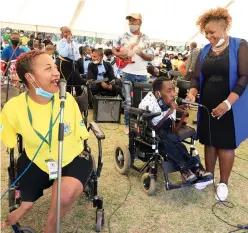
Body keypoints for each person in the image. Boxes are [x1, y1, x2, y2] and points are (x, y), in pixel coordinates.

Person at [0, 50, 92, 232]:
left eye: (55, 67)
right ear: (30, 78)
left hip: (72, 156)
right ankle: (25, 206)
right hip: (37, 159)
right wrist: (25, 205)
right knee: (25, 201)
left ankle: (50, 228)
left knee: (63, 196)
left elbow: (81, 134)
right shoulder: (13, 108)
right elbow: (8, 139)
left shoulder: (67, 100)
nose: (57, 73)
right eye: (48, 68)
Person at [186, 7, 248, 200]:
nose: (208, 36)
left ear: (224, 27)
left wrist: (228, 103)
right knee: (209, 141)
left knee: (226, 144)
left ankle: (223, 183)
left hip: (230, 104)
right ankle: (208, 176)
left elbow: (244, 76)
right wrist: (192, 92)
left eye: (212, 32)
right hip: (207, 104)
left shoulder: (240, 45)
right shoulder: (205, 50)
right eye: (206, 33)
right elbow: (196, 78)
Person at [139, 77, 212, 183]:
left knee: (177, 142)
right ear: (158, 93)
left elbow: (174, 129)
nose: (173, 94)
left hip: (166, 131)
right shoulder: (147, 103)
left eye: (174, 90)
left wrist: (183, 116)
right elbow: (153, 127)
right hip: (151, 132)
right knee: (168, 141)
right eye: (169, 91)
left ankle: (194, 167)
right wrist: (170, 111)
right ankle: (186, 169)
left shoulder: (170, 102)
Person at [112, 13, 154, 134]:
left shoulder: (146, 39)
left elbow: (151, 57)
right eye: (129, 21)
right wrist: (118, 54)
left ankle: (139, 125)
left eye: (133, 21)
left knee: (142, 102)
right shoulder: (123, 36)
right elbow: (114, 49)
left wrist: (141, 53)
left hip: (142, 74)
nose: (131, 24)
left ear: (139, 23)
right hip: (127, 72)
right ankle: (127, 124)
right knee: (128, 102)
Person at [56, 26, 83, 96]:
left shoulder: (73, 42)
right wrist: (67, 43)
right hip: (65, 64)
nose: (68, 33)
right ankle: (66, 99)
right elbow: (64, 54)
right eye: (66, 32)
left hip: (74, 64)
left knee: (78, 82)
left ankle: (79, 98)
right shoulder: (60, 43)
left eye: (69, 31)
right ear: (62, 34)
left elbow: (76, 54)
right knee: (67, 83)